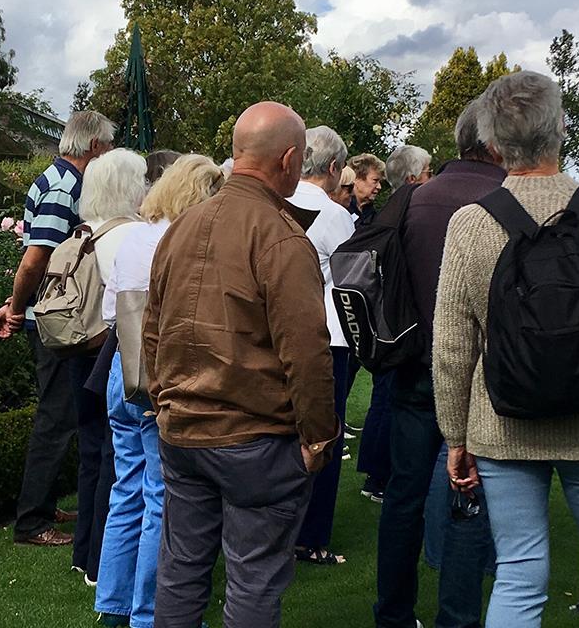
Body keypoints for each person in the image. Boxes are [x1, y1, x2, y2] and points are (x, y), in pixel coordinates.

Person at [434, 71, 579, 628]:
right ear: (562, 129)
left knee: (519, 572)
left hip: (503, 423)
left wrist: (455, 437)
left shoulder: (471, 225)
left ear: (493, 142)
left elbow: (451, 348)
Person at [146, 101, 338, 628]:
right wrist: (319, 438)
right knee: (252, 580)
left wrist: (163, 401)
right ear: (291, 160)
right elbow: (307, 350)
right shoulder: (279, 235)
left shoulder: (181, 226)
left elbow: (152, 328)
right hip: (254, 440)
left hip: (186, 433)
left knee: (182, 571)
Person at [378, 99, 501, 628]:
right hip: (481, 372)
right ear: (496, 142)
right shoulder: (504, 198)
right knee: (470, 495)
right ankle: (458, 615)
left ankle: (393, 612)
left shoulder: (414, 198)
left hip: (414, 365)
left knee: (403, 495)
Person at [95, 154, 224, 628]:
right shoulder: (182, 243)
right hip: (157, 376)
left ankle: (113, 604)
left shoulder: (133, 238)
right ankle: (147, 613)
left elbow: (113, 311)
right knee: (160, 498)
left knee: (126, 489)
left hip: (119, 370)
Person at [0, 111, 116, 549]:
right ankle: (31, 522)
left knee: (60, 414)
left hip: (52, 315)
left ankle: (42, 508)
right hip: (55, 323)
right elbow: (36, 258)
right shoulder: (66, 188)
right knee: (55, 418)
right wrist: (16, 308)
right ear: (93, 146)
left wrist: (16, 305)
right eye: (107, 146)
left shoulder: (58, 179)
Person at [70, 149, 149, 586]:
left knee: (93, 457)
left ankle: (86, 553)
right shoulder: (128, 235)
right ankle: (103, 564)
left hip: (75, 348)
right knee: (115, 463)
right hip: (111, 350)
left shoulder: (84, 230)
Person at [286, 125, 358, 566]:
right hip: (327, 338)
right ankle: (310, 536)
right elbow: (355, 281)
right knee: (323, 437)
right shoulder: (334, 215)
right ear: (333, 168)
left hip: (278, 336)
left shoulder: (277, 203)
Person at [357, 143, 434, 504]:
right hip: (399, 328)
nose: (432, 180)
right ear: (412, 178)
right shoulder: (407, 215)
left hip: (387, 327)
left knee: (384, 400)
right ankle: (380, 476)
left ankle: (377, 473)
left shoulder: (386, 214)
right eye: (428, 173)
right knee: (390, 402)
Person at [346, 153, 386, 220]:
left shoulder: (373, 215)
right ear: (356, 178)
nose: (379, 187)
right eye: (375, 180)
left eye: (380, 182)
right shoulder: (341, 208)